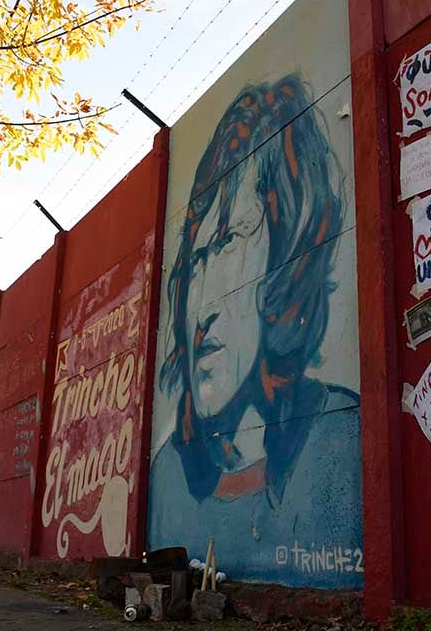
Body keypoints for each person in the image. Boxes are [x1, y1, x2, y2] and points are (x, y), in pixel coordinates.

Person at [147, 73, 363, 587]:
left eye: (229, 244)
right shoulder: (168, 476)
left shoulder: (342, 440)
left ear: (287, 252)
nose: (202, 307)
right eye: (196, 261)